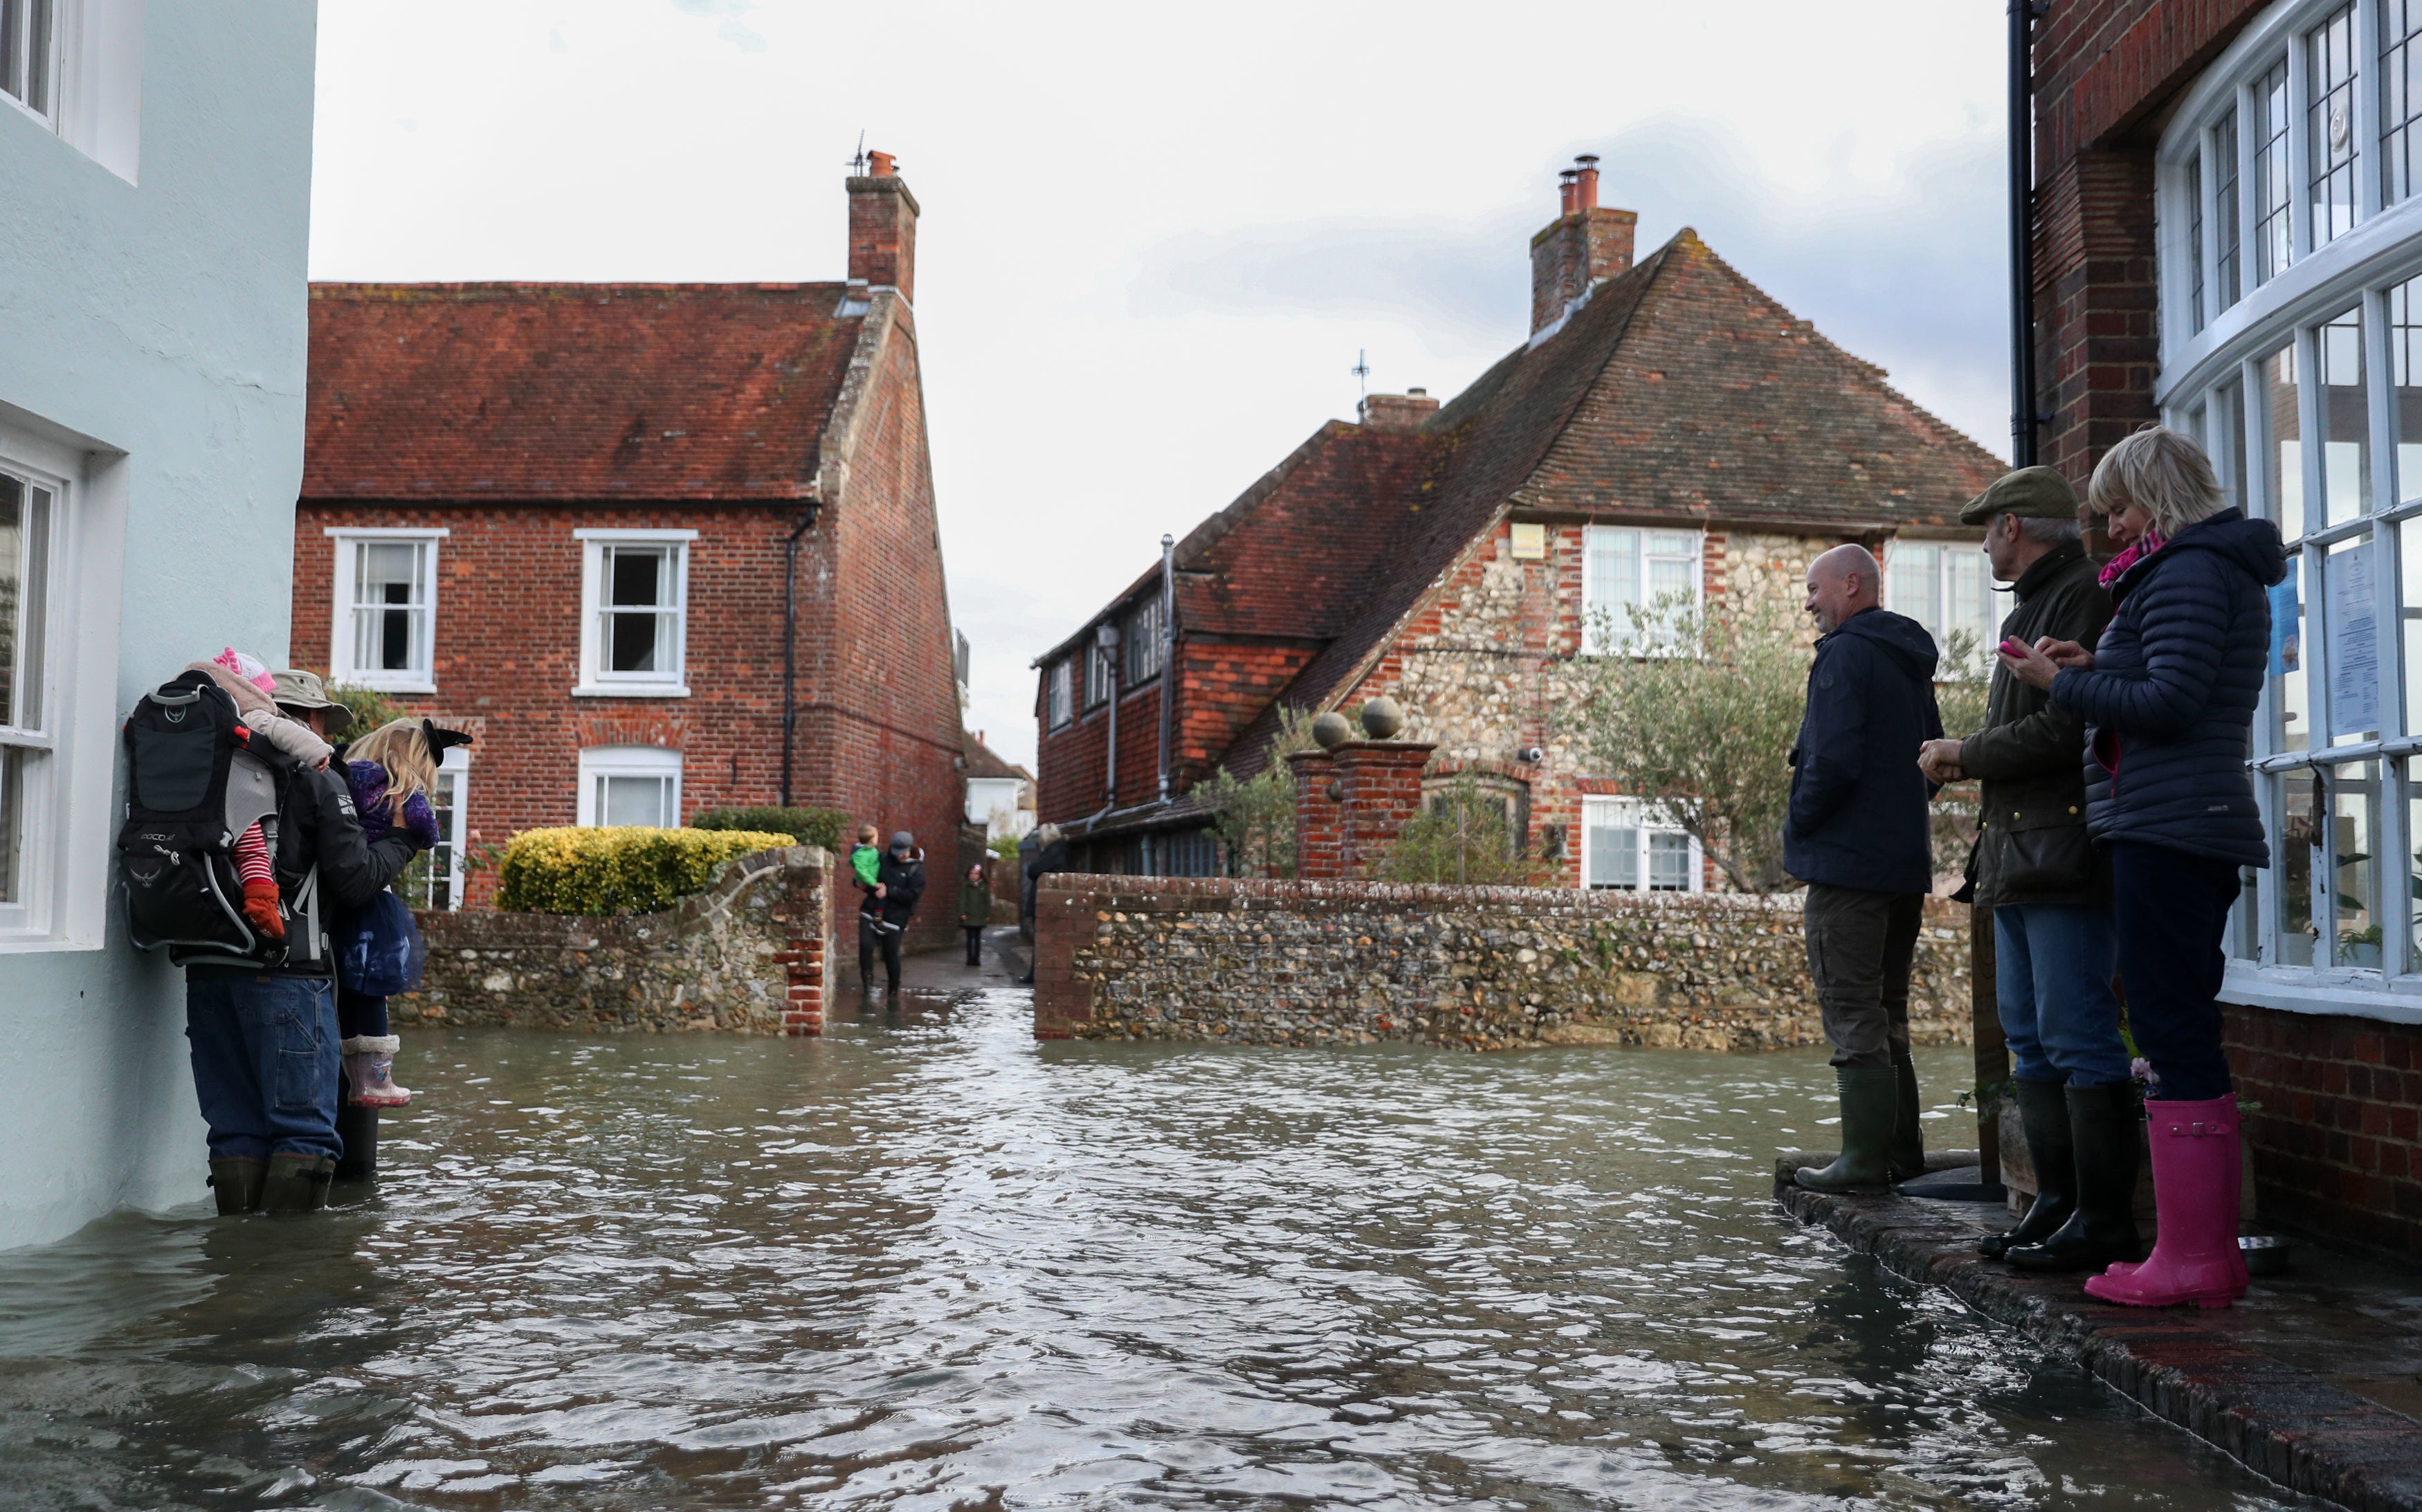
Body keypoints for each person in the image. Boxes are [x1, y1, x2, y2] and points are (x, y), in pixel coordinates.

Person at [2001, 426, 2284, 1309]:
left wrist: (2062, 688)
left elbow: (2168, 703)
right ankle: (2197, 1252)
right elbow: (2163, 680)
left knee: (2170, 1032)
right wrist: (2094, 662)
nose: (2112, 529)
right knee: (2169, 1030)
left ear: (2156, 497)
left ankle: (2193, 1258)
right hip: (2167, 823)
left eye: (2118, 507)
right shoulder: (2183, 573)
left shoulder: (2192, 571)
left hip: (2173, 828)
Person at [1919, 467, 2133, 1271]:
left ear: (2011, 526)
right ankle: (2056, 1201)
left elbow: (2062, 729)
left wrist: (1960, 754)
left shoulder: (2080, 593)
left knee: (2076, 1035)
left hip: (2061, 848)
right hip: (2016, 851)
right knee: (2029, 1037)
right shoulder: (2033, 605)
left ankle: (2101, 1219)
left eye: (1984, 529)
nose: (1981, 544)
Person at [181, 668, 428, 1216]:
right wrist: (405, 839)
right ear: (305, 718)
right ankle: (285, 1279)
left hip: (207, 964)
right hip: (285, 972)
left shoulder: (210, 765)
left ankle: (236, 1264)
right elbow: (356, 878)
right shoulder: (318, 777)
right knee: (305, 1137)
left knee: (235, 1133)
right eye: (321, 717)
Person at [1786, 543, 1946, 1193]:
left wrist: (1797, 822)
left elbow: (1828, 762)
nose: (1809, 601)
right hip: (1903, 864)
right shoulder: (1910, 660)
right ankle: (1902, 1155)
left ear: (1852, 585)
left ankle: (1859, 1163)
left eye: (1815, 588)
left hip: (1848, 869)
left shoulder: (1845, 654)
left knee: (1853, 1009)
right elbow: (1933, 762)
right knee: (1890, 1010)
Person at [333, 718, 468, 1107]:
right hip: (375, 905)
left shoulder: (343, 779)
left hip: (335, 906)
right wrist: (422, 833)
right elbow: (427, 829)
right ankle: (375, 1083)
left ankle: (348, 1079)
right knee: (376, 987)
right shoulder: (401, 792)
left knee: (349, 992)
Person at [862, 830, 927, 992]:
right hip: (871, 910)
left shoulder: (916, 870)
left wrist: (889, 891)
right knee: (865, 946)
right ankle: (867, 988)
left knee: (890, 955)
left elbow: (912, 895)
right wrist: (862, 884)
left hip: (895, 918)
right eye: (896, 853)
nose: (899, 857)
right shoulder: (883, 858)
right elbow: (869, 877)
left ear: (909, 849)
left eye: (903, 853)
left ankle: (893, 991)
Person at [1015, 823, 1068, 985]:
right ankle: (1036, 974)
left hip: (1045, 904)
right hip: (1052, 904)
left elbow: (1033, 871)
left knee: (1041, 941)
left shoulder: (1053, 852)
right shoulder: (1060, 850)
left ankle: (1035, 975)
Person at [958, 862, 991, 966]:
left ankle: (976, 958)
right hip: (969, 915)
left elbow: (987, 901)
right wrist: (962, 912)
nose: (973, 876)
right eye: (971, 874)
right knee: (969, 937)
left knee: (977, 938)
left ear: (980, 875)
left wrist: (987, 914)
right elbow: (962, 900)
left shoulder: (984, 887)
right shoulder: (965, 886)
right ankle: (969, 957)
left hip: (979, 916)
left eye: (976, 874)